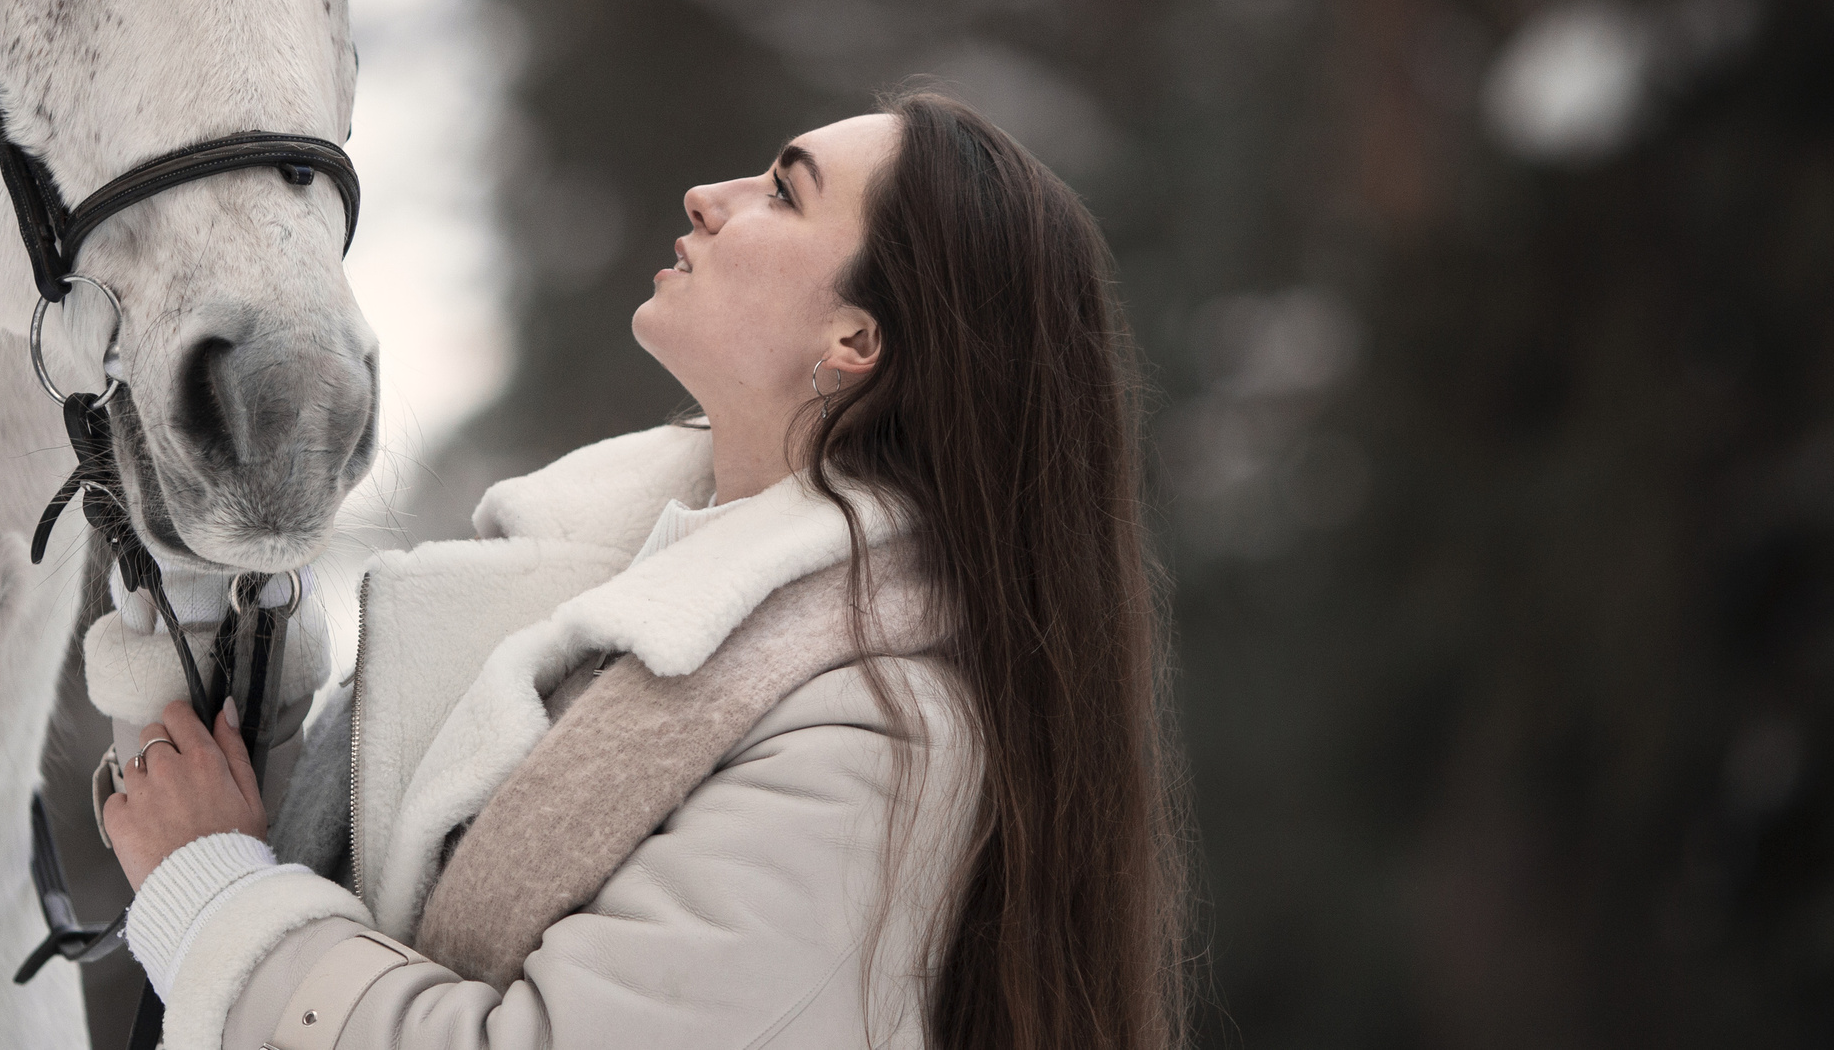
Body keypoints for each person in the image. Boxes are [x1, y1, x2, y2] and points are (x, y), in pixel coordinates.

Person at [91, 91, 1186, 1050]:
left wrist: (214, 897)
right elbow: (372, 889)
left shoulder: (876, 736)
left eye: (783, 194)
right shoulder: (589, 582)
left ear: (857, 341)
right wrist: (206, 644)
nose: (709, 195)